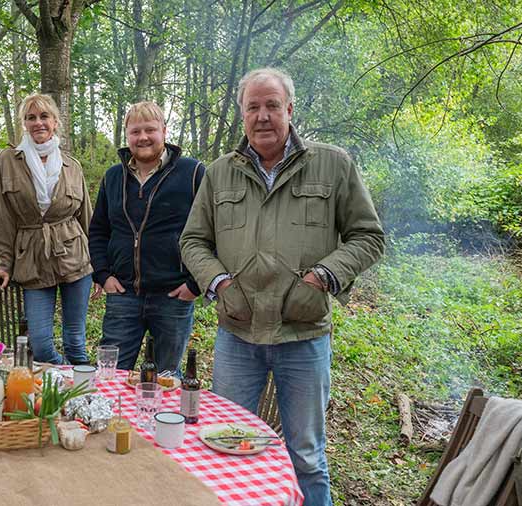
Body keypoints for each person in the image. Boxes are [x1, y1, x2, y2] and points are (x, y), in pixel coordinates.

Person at [180, 68, 384, 506]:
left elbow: (368, 236)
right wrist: (218, 283)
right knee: (227, 445)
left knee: (306, 455)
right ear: (242, 115)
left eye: (272, 105)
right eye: (252, 107)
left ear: (290, 110)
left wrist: (322, 277)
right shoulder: (219, 173)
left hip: (303, 336)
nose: (263, 116)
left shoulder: (332, 165)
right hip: (238, 335)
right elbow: (193, 240)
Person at [89, 101, 205, 375]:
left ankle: (162, 418)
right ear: (127, 136)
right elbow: (98, 230)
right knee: (112, 373)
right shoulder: (113, 177)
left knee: (167, 378)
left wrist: (195, 283)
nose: (142, 137)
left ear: (164, 131)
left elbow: (212, 231)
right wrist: (103, 274)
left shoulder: (193, 173)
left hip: (174, 295)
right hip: (123, 294)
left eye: (150, 130)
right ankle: (113, 419)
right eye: (135, 131)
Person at [0, 93, 93, 365]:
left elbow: (87, 217)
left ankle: (81, 398)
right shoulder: (9, 160)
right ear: (23, 123)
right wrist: (4, 262)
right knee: (41, 345)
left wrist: (100, 265)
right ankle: (61, 379)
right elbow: (3, 216)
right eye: (30, 117)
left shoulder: (72, 166)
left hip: (75, 257)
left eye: (44, 116)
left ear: (56, 122)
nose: (38, 123)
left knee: (75, 341)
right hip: (31, 259)